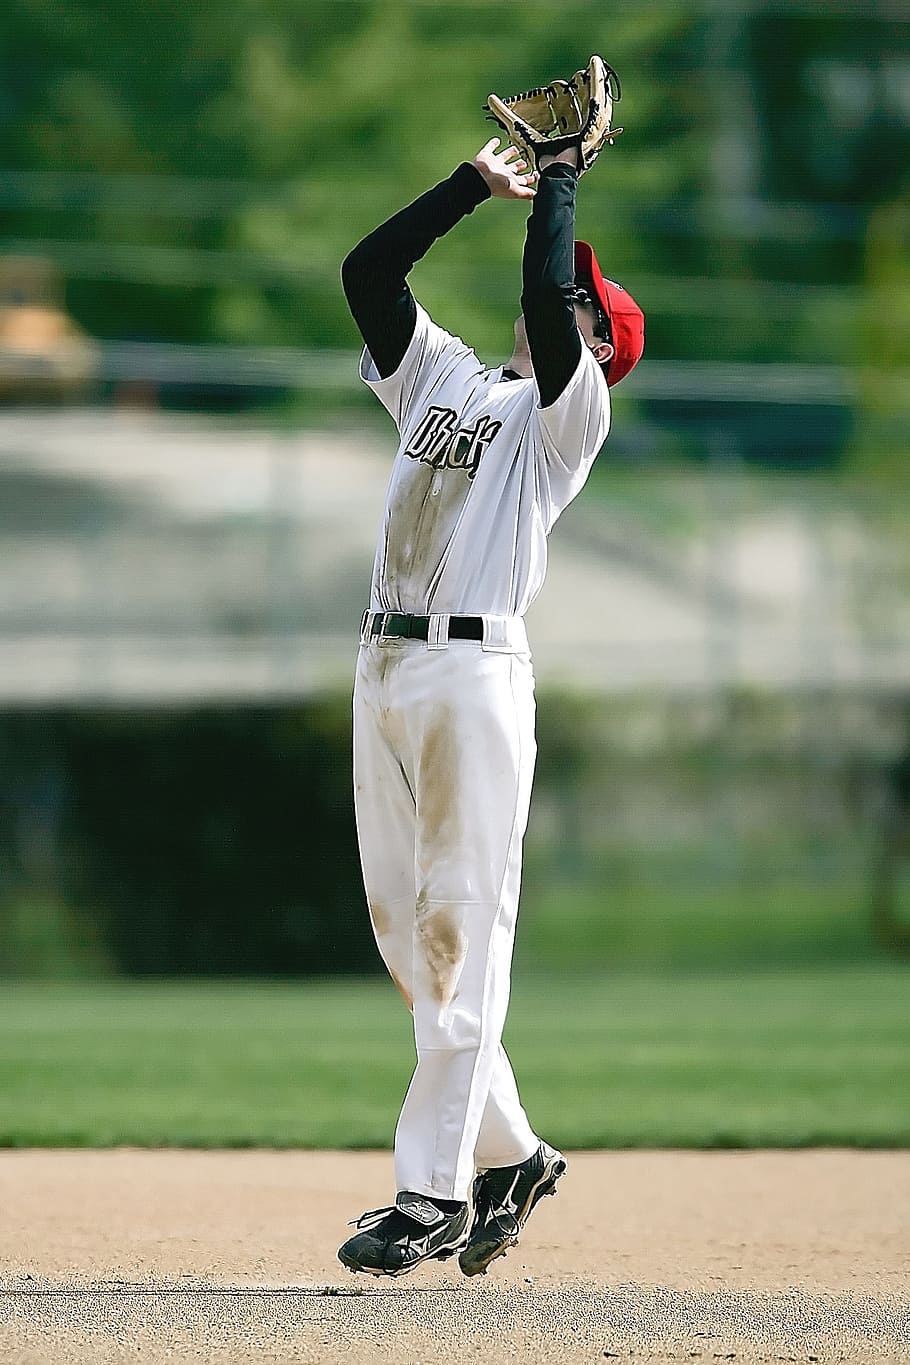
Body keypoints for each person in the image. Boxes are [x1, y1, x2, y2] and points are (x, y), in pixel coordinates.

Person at [337, 135, 644, 1279]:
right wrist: (473, 185)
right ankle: (512, 1156)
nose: (558, 301)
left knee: (459, 935)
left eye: (579, 302)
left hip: (472, 680)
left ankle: (433, 1196)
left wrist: (561, 179)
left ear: (599, 346)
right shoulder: (450, 380)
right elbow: (368, 276)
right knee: (408, 945)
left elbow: (543, 293)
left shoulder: (568, 422)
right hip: (382, 667)